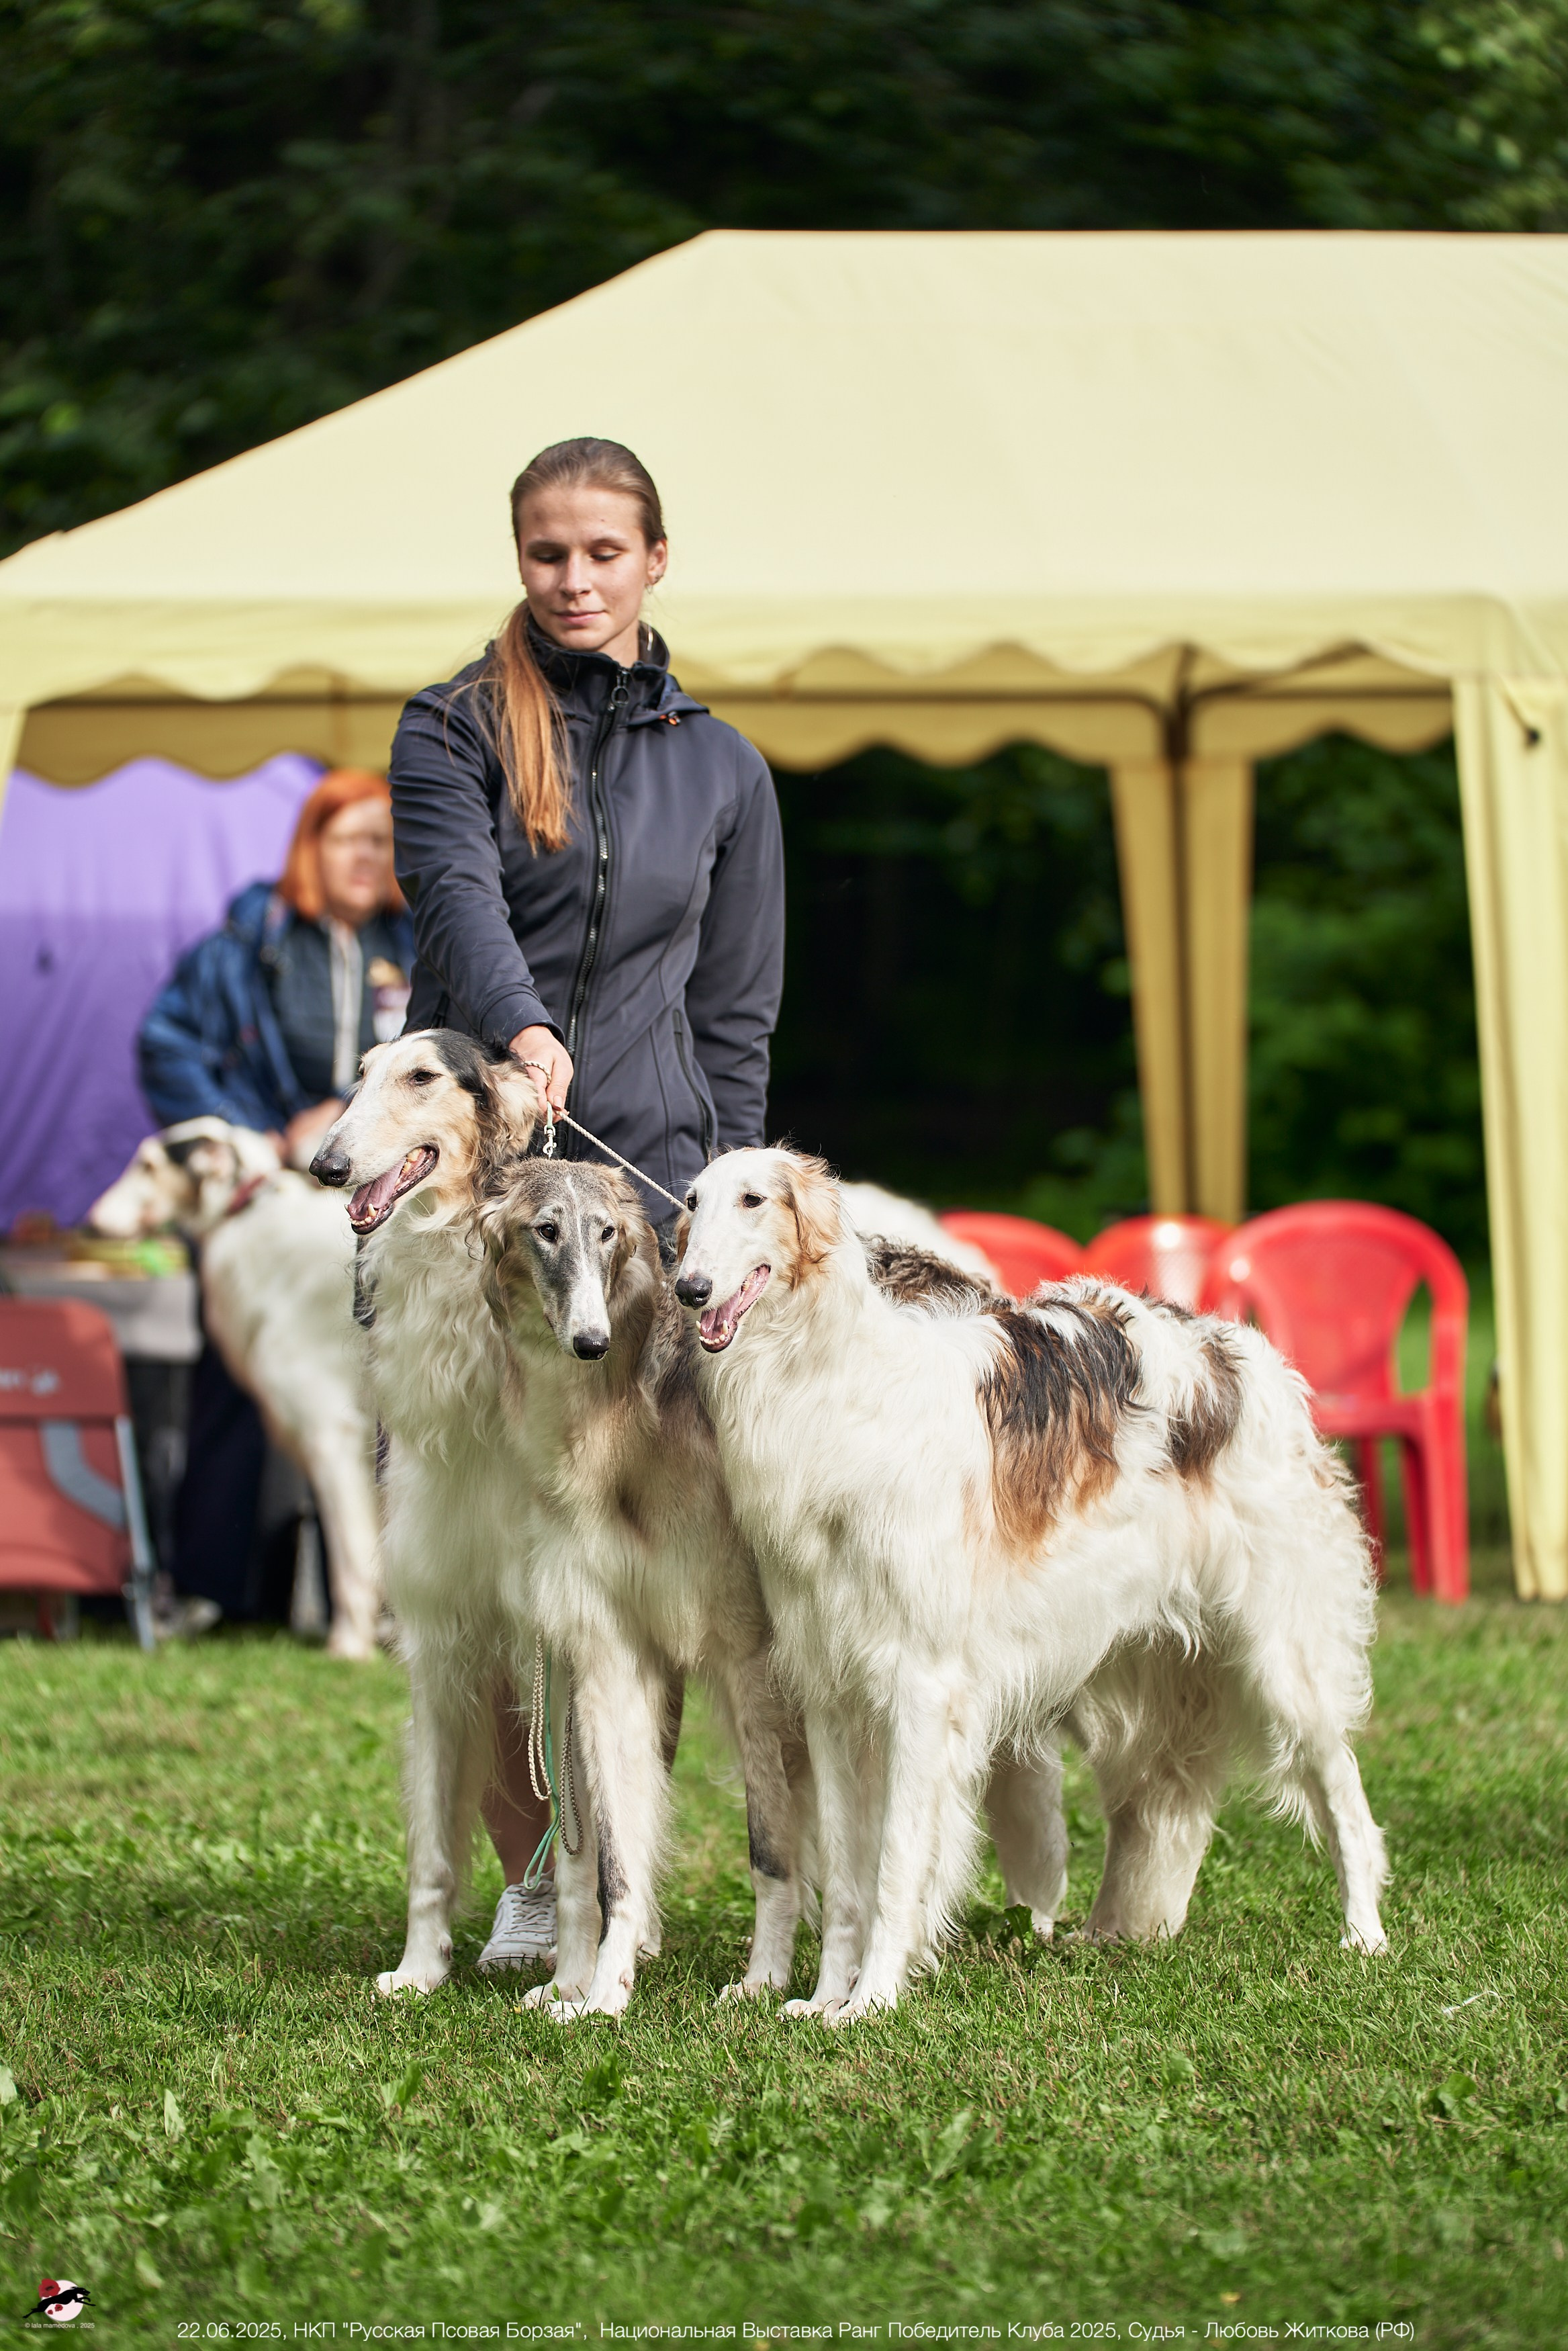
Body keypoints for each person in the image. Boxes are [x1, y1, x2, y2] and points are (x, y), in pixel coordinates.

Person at [389, 436, 784, 1971]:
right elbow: (457, 899)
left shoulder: (723, 766)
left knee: (649, 1541)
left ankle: (619, 1861)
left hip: (647, 1193)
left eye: (601, 552)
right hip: (477, 1196)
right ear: (520, 558)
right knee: (494, 1561)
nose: (572, 579)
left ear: (654, 560)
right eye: (547, 553)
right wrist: (518, 1033)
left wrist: (722, 1203)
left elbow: (736, 1004)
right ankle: (535, 1863)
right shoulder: (454, 727)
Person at [138, 770, 414, 1627]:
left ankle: (383, 1596)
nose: (369, 857)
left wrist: (354, 1122)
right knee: (240, 1379)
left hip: (382, 1198)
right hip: (271, 1199)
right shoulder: (248, 939)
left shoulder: (414, 944)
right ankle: (215, 1591)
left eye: (383, 840)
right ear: (312, 844)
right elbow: (165, 1042)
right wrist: (255, 1133)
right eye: (350, 839)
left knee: (382, 1384)